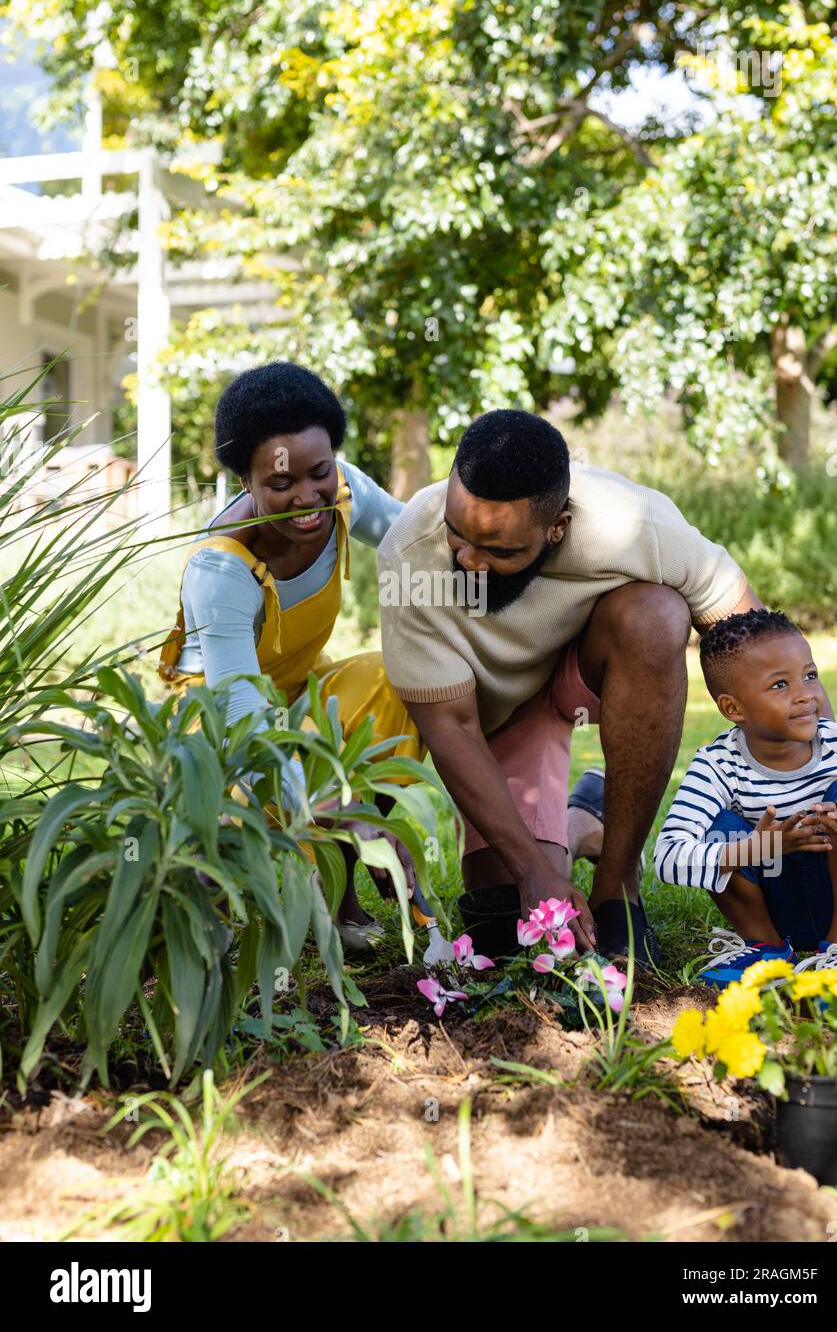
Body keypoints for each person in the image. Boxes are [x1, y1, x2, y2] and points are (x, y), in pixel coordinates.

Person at [376, 408, 779, 965]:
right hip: (495, 714)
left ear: (557, 528)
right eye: (458, 534)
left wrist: (831, 774)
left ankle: (617, 886)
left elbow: (762, 650)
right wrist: (534, 872)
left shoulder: (635, 524)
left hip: (588, 675)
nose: (469, 561)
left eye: (500, 551)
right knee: (504, 924)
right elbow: (452, 725)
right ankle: (584, 822)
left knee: (656, 613)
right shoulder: (407, 558)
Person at [159, 361, 422, 948]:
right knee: (256, 795)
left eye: (319, 472)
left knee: (397, 677)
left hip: (296, 691)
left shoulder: (344, 493)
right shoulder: (221, 569)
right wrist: (336, 805)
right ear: (246, 483)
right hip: (218, 728)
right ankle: (232, 885)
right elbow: (243, 719)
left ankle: (338, 890)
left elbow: (420, 544)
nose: (307, 497)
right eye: (281, 484)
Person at [654, 608, 837, 986]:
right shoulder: (717, 765)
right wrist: (756, 848)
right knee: (719, 829)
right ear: (732, 708)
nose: (805, 696)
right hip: (776, 906)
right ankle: (767, 950)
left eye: (810, 676)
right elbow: (668, 858)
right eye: (780, 685)